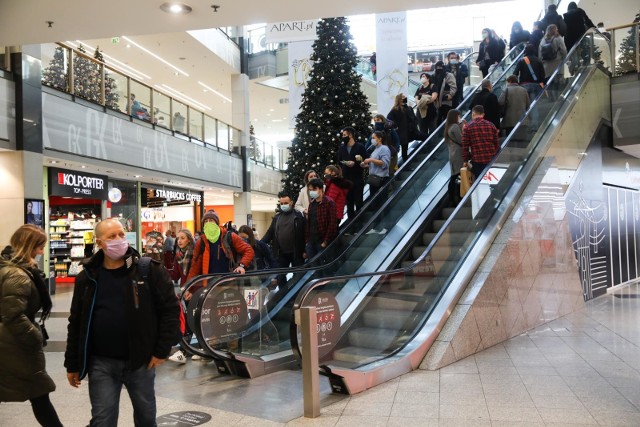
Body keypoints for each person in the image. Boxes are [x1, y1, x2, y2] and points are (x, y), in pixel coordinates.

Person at [64, 218, 180, 426]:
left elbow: (170, 311)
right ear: (100, 243)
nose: (119, 240)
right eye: (112, 236)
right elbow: (76, 322)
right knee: (102, 420)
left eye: (121, 234)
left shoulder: (147, 270)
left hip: (141, 360)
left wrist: (161, 350)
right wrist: (72, 363)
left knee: (145, 417)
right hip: (101, 362)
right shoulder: (88, 277)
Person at [0, 225, 63, 427]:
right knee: (39, 391)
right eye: (39, 247)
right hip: (15, 344)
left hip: (9, 342)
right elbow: (13, 314)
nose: (42, 252)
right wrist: (34, 336)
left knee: (36, 392)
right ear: (29, 246)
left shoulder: (12, 268)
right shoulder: (18, 274)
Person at [183, 210, 255, 300]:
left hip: (230, 283)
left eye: (211, 220)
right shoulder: (201, 242)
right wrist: (189, 288)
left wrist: (241, 265)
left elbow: (248, 250)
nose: (208, 223)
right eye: (206, 221)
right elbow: (195, 267)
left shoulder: (229, 237)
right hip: (210, 286)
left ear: (217, 223)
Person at [167, 229, 195, 364]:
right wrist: (160, 271)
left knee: (192, 321)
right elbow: (175, 275)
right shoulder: (178, 255)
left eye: (183, 238)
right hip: (185, 292)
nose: (179, 241)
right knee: (191, 320)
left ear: (189, 239)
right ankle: (195, 350)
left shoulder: (195, 254)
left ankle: (184, 351)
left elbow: (198, 273)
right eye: (178, 238)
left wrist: (193, 289)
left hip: (195, 291)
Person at [262, 191, 306, 270]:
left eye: (285, 203)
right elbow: (269, 233)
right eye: (281, 203)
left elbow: (305, 234)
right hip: (281, 253)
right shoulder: (277, 217)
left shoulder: (298, 216)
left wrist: (305, 250)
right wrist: (259, 244)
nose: (283, 205)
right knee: (280, 276)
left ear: (291, 202)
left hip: (297, 253)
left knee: (298, 276)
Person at [462, 105, 500, 180]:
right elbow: (496, 143)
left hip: (477, 161)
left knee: (479, 183)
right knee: (491, 181)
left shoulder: (468, 127)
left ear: (473, 114)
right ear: (483, 115)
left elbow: (465, 146)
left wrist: (465, 160)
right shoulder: (491, 125)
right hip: (491, 159)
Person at [337, 127, 367, 219]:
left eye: (344, 135)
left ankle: (361, 223)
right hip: (346, 179)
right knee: (349, 203)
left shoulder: (360, 147)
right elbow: (339, 161)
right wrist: (345, 163)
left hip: (357, 178)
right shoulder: (342, 148)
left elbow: (365, 160)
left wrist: (356, 163)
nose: (343, 137)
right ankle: (351, 226)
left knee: (359, 203)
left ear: (350, 135)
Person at [304, 178, 338, 260]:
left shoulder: (329, 202)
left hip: (323, 241)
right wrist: (307, 241)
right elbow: (309, 223)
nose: (312, 192)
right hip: (312, 241)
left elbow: (332, 224)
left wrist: (325, 241)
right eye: (310, 190)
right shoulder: (311, 204)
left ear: (321, 189)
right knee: (314, 265)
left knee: (324, 266)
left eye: (314, 189)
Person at [388, 93, 422, 161]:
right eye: (403, 97)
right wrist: (395, 127)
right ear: (399, 99)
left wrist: (415, 124)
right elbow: (389, 119)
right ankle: (405, 164)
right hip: (402, 133)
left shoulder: (409, 108)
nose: (405, 98)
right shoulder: (395, 110)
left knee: (425, 137)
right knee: (404, 149)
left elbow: (414, 118)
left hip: (412, 131)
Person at [362, 130, 391, 196]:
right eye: (372, 138)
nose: (372, 140)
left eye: (373, 138)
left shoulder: (384, 148)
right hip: (373, 179)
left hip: (381, 180)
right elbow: (375, 165)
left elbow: (384, 163)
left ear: (380, 138)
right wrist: (367, 165)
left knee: (380, 201)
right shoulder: (375, 149)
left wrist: (371, 160)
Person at [433, 61, 457, 125]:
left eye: (440, 67)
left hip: (446, 101)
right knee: (437, 120)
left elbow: (453, 87)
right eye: (437, 67)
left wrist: (449, 95)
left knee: (446, 120)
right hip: (436, 102)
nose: (439, 68)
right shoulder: (433, 76)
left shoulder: (448, 75)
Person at [444, 109, 465, 177]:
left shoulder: (448, 127)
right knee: (458, 175)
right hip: (458, 154)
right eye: (459, 116)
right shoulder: (455, 127)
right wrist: (463, 126)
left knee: (455, 174)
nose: (460, 118)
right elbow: (461, 140)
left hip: (452, 154)